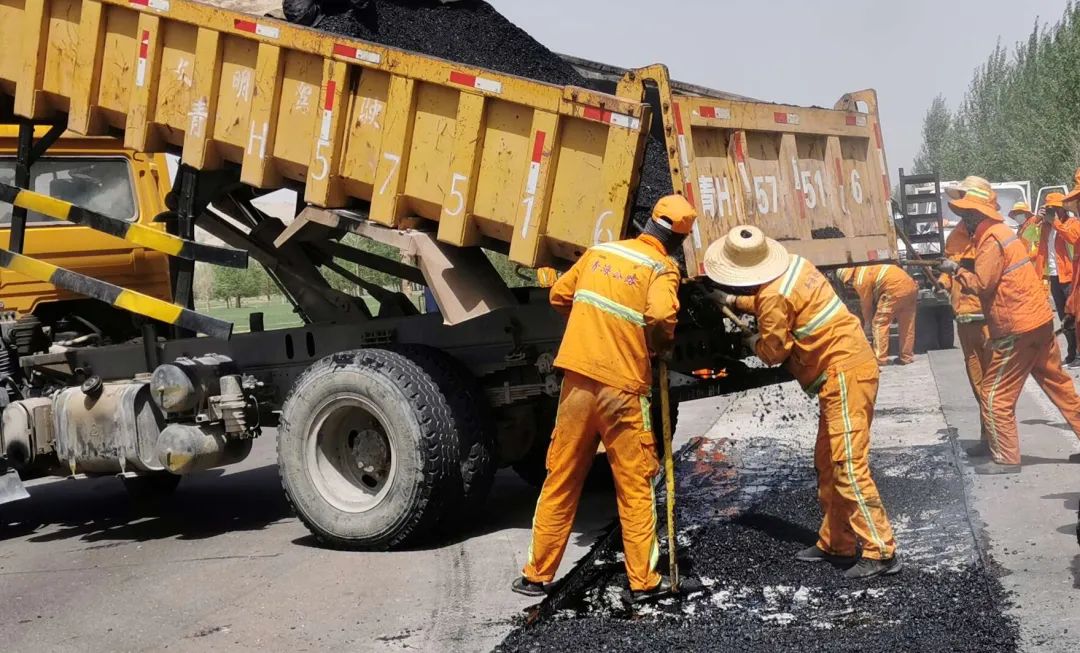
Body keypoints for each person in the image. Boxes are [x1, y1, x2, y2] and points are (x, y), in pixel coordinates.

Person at [513, 195, 697, 602]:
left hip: (577, 384)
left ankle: (535, 576)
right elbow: (661, 316)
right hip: (623, 391)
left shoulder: (600, 252)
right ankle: (643, 582)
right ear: (678, 241)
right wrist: (660, 346)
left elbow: (559, 295)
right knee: (634, 484)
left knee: (561, 477)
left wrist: (592, 326)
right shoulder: (662, 267)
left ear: (650, 223)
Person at [705, 225, 900, 579]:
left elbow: (774, 352)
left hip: (845, 374)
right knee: (827, 461)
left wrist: (751, 341)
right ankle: (837, 542)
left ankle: (881, 551)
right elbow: (773, 299)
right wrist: (732, 302)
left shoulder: (772, 296)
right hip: (844, 371)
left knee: (847, 464)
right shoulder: (796, 265)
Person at [937, 176, 1080, 474]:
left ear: (976, 214)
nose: (964, 219)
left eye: (966, 213)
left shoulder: (991, 239)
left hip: (1017, 328)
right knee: (1060, 387)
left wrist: (956, 270)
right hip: (1038, 321)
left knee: (994, 395)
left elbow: (983, 284)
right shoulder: (1002, 234)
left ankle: (1006, 458)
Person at [937, 222, 992, 455]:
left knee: (992, 387)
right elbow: (950, 268)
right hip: (964, 320)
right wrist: (943, 282)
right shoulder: (955, 237)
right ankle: (987, 438)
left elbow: (986, 279)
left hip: (988, 320)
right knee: (978, 385)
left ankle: (998, 441)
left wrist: (958, 270)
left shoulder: (990, 237)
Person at [1018, 193, 1080, 364]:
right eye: (1049, 209)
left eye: (1055, 208)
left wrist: (1056, 223)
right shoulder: (1044, 227)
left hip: (1070, 277)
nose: (1052, 212)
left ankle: (1078, 354)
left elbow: (1073, 238)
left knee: (1074, 317)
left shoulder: (1071, 223)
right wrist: (1037, 219)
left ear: (1062, 209)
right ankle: (1072, 353)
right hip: (1054, 277)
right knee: (1063, 318)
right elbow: (1026, 237)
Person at [836, 263, 917, 365]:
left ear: (848, 278)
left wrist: (867, 324)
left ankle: (880, 359)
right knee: (907, 324)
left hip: (893, 289)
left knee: (879, 324)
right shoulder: (867, 268)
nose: (850, 284)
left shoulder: (860, 279)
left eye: (848, 282)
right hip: (911, 287)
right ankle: (906, 357)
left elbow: (867, 305)